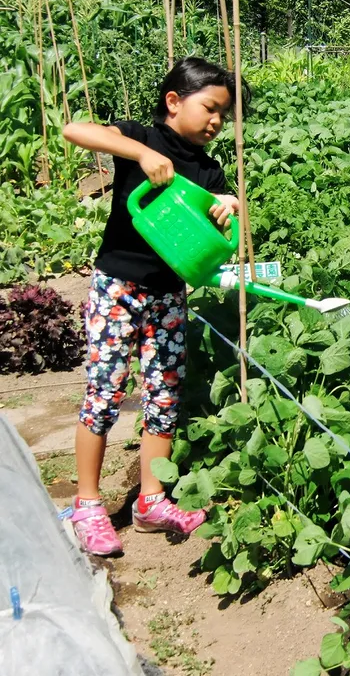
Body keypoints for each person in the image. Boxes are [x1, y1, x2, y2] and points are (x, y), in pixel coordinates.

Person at [62, 57, 250, 556]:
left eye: (223, 116)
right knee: (104, 392)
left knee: (164, 397)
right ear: (174, 101)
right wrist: (139, 154)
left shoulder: (207, 169)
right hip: (117, 287)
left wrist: (227, 208)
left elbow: (217, 226)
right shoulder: (139, 137)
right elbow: (73, 129)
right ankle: (87, 503)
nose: (216, 122)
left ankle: (151, 500)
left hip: (168, 294)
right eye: (210, 108)